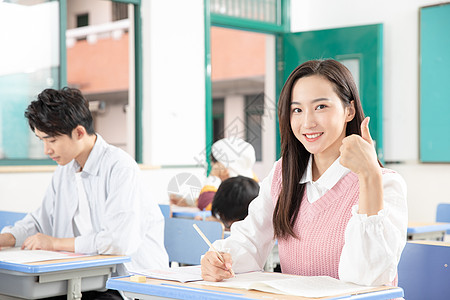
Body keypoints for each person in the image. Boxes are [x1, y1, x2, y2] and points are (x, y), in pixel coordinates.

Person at [200, 59, 408, 288]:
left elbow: (367, 278)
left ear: (349, 110)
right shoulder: (283, 174)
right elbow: (250, 240)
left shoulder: (386, 183)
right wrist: (222, 260)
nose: (307, 122)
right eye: (297, 110)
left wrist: (369, 175)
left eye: (321, 107)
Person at [0, 87, 169, 299]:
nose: (46, 150)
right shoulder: (65, 170)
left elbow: (118, 242)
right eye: (41, 140)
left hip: (127, 284)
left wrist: (54, 243)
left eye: (51, 140)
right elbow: (39, 222)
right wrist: (6, 238)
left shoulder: (120, 167)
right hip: (86, 280)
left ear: (79, 132)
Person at [196, 137, 258, 211]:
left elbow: (205, 204)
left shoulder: (239, 188)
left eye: (214, 162)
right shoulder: (252, 181)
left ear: (224, 164)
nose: (212, 165)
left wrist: (213, 176)